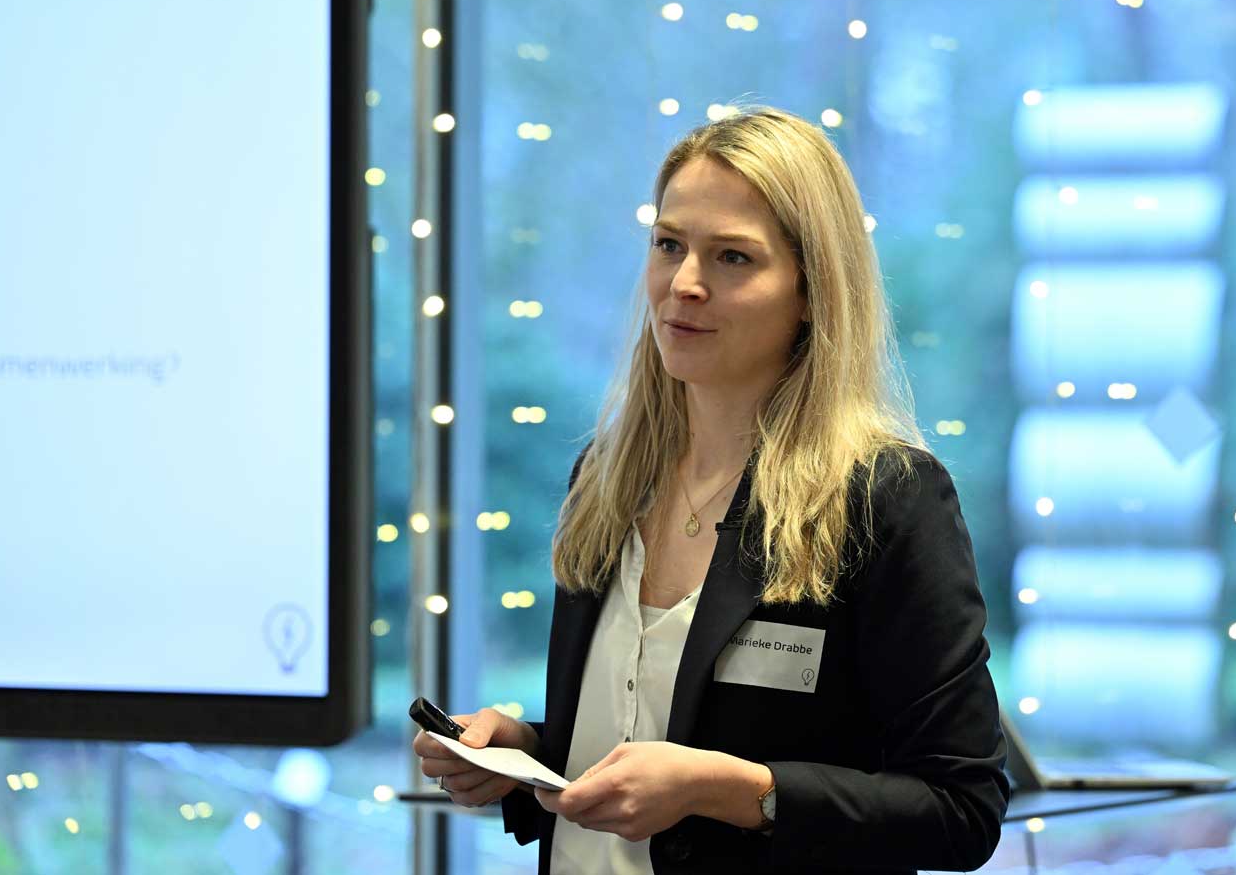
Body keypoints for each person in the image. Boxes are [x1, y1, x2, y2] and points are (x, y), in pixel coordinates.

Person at [414, 105, 1009, 873]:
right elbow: (635, 726)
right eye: (669, 245)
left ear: (811, 291)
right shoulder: (606, 475)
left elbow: (961, 812)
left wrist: (730, 789)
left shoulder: (885, 496)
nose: (685, 284)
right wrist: (525, 753)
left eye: (732, 258)